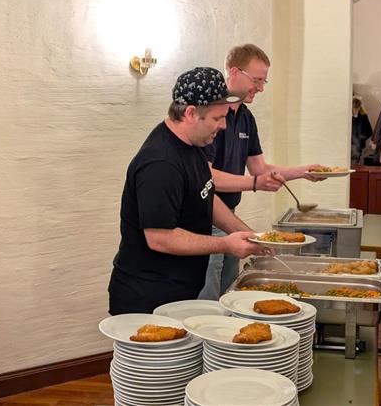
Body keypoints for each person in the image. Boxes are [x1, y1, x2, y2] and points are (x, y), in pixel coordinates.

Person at [108, 67, 265, 315]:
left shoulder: (194, 146)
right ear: (191, 113)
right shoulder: (160, 163)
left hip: (179, 292)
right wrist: (225, 244)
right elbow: (160, 238)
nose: (224, 126)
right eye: (217, 118)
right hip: (147, 299)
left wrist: (251, 236)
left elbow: (206, 196)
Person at [198, 44, 322, 300]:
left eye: (264, 81)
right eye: (256, 80)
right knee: (208, 300)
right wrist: (255, 183)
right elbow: (207, 177)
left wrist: (302, 171)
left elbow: (259, 168)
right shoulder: (210, 116)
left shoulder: (245, 117)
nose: (261, 88)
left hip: (229, 216)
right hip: (204, 220)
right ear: (233, 72)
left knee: (229, 294)